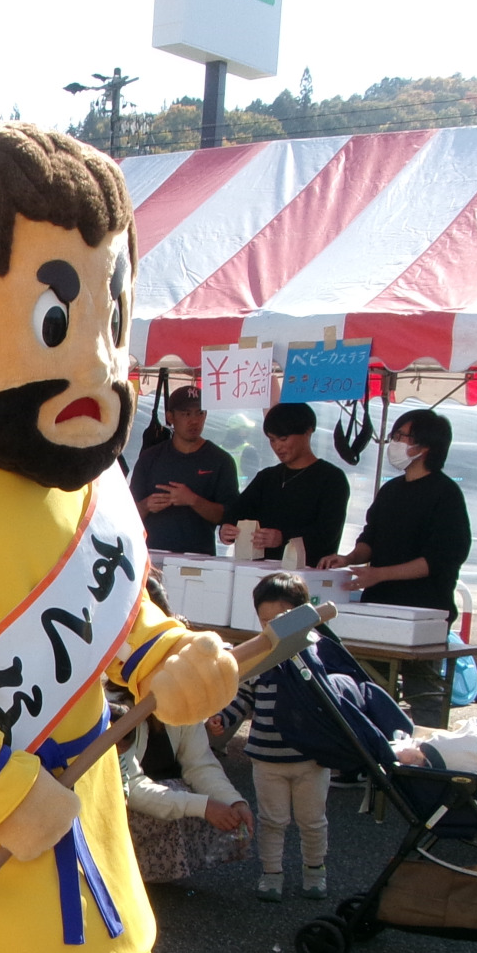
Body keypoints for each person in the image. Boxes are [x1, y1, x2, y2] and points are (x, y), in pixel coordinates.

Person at [320, 408, 472, 728]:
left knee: (422, 692)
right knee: (368, 686)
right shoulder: (391, 490)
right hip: (379, 607)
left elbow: (438, 560)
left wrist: (380, 573)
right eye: (395, 436)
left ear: (424, 446)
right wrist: (347, 558)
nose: (394, 443)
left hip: (425, 611)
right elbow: (370, 540)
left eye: (401, 437)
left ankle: (426, 762)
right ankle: (371, 753)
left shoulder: (446, 494)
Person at [117, 578, 252, 884]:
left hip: (160, 794)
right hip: (125, 801)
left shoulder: (181, 684)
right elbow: (130, 787)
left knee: (214, 802)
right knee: (187, 799)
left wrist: (233, 801)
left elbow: (199, 761)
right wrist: (203, 807)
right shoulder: (111, 701)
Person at [213, 572, 331, 902]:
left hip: (310, 757)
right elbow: (243, 695)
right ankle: (272, 873)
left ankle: (315, 871)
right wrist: (223, 718)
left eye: (279, 620)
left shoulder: (316, 651)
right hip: (266, 757)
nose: (271, 628)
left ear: (303, 613)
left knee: (312, 820)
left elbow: (331, 700)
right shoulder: (259, 654)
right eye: (265, 621)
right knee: (272, 820)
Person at [217, 402, 351, 565]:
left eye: (283, 438)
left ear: (308, 432)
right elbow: (237, 511)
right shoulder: (267, 478)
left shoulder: (331, 478)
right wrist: (226, 528)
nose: (278, 446)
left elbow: (327, 534)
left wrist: (283, 537)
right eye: (272, 440)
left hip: (309, 573)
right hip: (261, 572)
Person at [130, 384, 241, 555]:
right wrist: (146, 505)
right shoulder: (150, 458)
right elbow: (127, 513)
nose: (194, 421)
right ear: (170, 417)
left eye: (200, 413)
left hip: (200, 560)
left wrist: (192, 500)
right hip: (151, 555)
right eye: (186, 414)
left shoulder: (221, 461)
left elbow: (228, 516)